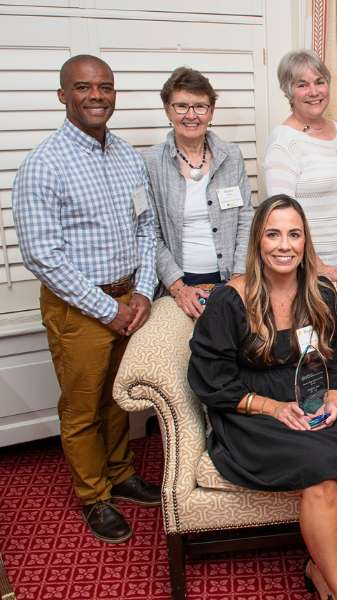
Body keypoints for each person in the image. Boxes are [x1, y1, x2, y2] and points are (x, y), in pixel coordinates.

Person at [188, 195, 337, 600]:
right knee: (321, 477)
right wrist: (271, 407)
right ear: (258, 241)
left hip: (310, 397)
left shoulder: (321, 292)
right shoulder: (230, 300)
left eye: (294, 234)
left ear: (306, 241)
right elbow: (210, 379)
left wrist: (333, 395)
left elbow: (335, 356)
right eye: (273, 234)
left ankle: (318, 565)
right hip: (250, 409)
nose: (284, 245)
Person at [12, 55, 160, 543]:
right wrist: (108, 309)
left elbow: (146, 226)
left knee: (119, 401)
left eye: (105, 87)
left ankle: (121, 473)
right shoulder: (44, 164)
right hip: (79, 308)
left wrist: (140, 292)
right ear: (63, 96)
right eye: (83, 87)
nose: (96, 96)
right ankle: (94, 496)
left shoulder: (125, 155)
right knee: (82, 409)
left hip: (128, 300)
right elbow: (42, 257)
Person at [142, 67, 253, 319]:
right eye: (181, 106)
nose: (191, 115)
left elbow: (246, 218)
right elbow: (150, 232)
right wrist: (179, 287)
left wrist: (238, 278)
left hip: (231, 278)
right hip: (179, 284)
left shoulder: (231, 156)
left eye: (200, 106)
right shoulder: (149, 163)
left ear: (211, 111)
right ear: (167, 110)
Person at [264, 50, 337, 285]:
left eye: (320, 82)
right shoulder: (283, 142)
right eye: (302, 84)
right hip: (305, 269)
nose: (314, 91)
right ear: (289, 91)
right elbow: (282, 219)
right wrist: (320, 267)